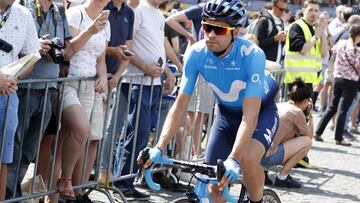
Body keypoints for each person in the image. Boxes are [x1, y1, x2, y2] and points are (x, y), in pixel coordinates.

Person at [143, 0, 280, 202]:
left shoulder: (252, 55)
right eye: (207, 27)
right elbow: (181, 105)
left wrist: (234, 159)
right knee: (213, 186)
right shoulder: (197, 53)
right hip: (225, 116)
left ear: (235, 32)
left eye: (219, 30)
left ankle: (257, 200)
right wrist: (159, 147)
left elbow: (249, 115)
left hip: (260, 114)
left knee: (249, 158)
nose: (211, 34)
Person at [111, 0, 179, 200]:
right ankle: (121, 181)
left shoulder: (157, 14)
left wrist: (168, 71)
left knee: (141, 133)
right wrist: (145, 67)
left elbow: (158, 46)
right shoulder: (137, 11)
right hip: (136, 80)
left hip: (152, 82)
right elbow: (127, 47)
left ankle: (127, 181)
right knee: (136, 132)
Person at [55, 0, 110, 200]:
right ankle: (64, 181)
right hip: (69, 82)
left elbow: (100, 59)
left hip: (90, 85)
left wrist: (103, 76)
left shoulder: (106, 20)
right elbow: (68, 52)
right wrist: (91, 30)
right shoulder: (75, 14)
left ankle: (76, 192)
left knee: (87, 138)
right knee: (78, 129)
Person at [0, 0, 39, 200]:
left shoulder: (23, 14)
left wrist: (12, 79)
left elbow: (32, 56)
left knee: (3, 159)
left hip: (7, 95)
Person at [314, 15, 360, 146]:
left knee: (332, 107)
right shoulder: (357, 50)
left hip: (337, 78)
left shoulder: (341, 44)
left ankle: (318, 131)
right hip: (350, 81)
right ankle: (338, 137)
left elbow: (332, 52)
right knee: (343, 109)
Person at [262, 78, 313, 189]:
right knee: (307, 142)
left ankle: (263, 173)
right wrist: (310, 115)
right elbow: (309, 136)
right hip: (267, 157)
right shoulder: (297, 112)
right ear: (305, 101)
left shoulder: (279, 105)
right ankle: (282, 177)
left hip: (257, 154)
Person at [284, 0, 328, 107]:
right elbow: (303, 50)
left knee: (305, 116)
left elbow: (323, 53)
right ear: (304, 10)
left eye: (316, 10)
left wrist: (322, 36)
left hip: (309, 81)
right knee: (295, 116)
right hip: (296, 81)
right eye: (310, 10)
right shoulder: (296, 26)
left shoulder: (315, 29)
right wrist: (316, 36)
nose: (313, 13)